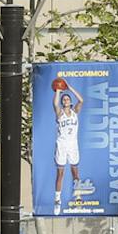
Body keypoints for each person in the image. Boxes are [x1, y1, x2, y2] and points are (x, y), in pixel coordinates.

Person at [50, 75, 87, 213]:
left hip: (73, 145)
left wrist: (69, 88)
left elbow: (81, 100)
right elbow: (55, 103)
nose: (65, 100)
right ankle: (57, 200)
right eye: (63, 99)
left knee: (75, 173)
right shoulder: (60, 113)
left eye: (67, 99)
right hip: (62, 144)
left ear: (70, 102)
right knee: (60, 173)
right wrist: (58, 89)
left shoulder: (75, 112)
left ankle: (78, 197)